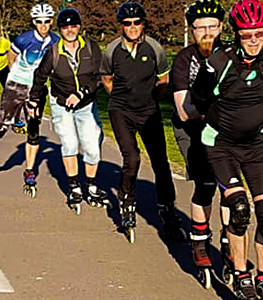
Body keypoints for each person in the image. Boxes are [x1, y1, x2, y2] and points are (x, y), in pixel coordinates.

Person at [202, 0, 263, 298]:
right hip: (222, 145)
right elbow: (200, 101)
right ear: (236, 34)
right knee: (239, 209)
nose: (253, 41)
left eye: (259, 34)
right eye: (246, 35)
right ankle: (241, 276)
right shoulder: (218, 63)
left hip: (257, 145)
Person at [100, 1, 182, 242]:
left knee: (160, 161)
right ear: (121, 26)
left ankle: (167, 209)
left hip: (148, 111)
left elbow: (163, 80)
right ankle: (126, 202)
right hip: (121, 111)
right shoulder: (112, 50)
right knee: (132, 158)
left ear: (143, 24)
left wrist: (149, 100)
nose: (132, 27)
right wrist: (120, 98)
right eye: (127, 23)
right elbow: (106, 78)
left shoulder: (154, 49)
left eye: (136, 23)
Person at [0, 3, 59, 199]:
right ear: (33, 22)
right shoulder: (24, 39)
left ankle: (30, 172)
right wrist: (18, 78)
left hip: (37, 90)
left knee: (33, 131)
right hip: (16, 86)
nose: (43, 25)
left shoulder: (56, 41)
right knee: (0, 129)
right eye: (39, 22)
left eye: (47, 21)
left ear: (51, 22)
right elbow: (11, 58)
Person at [171, 0, 229, 290]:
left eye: (212, 27)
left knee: (231, 186)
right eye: (200, 28)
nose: (207, 33)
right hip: (192, 129)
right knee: (205, 184)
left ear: (220, 27)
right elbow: (183, 109)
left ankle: (230, 239)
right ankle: (200, 242)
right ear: (191, 30)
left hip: (224, 131)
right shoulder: (184, 59)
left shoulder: (231, 54)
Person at [30, 8, 107, 214]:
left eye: (74, 25)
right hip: (61, 104)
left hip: (86, 103)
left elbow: (100, 76)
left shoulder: (91, 48)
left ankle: (91, 185)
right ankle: (74, 187)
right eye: (65, 27)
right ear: (60, 29)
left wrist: (82, 93)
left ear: (79, 27)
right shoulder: (54, 52)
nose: (70, 30)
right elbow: (39, 77)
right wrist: (33, 102)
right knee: (69, 143)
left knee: (92, 146)